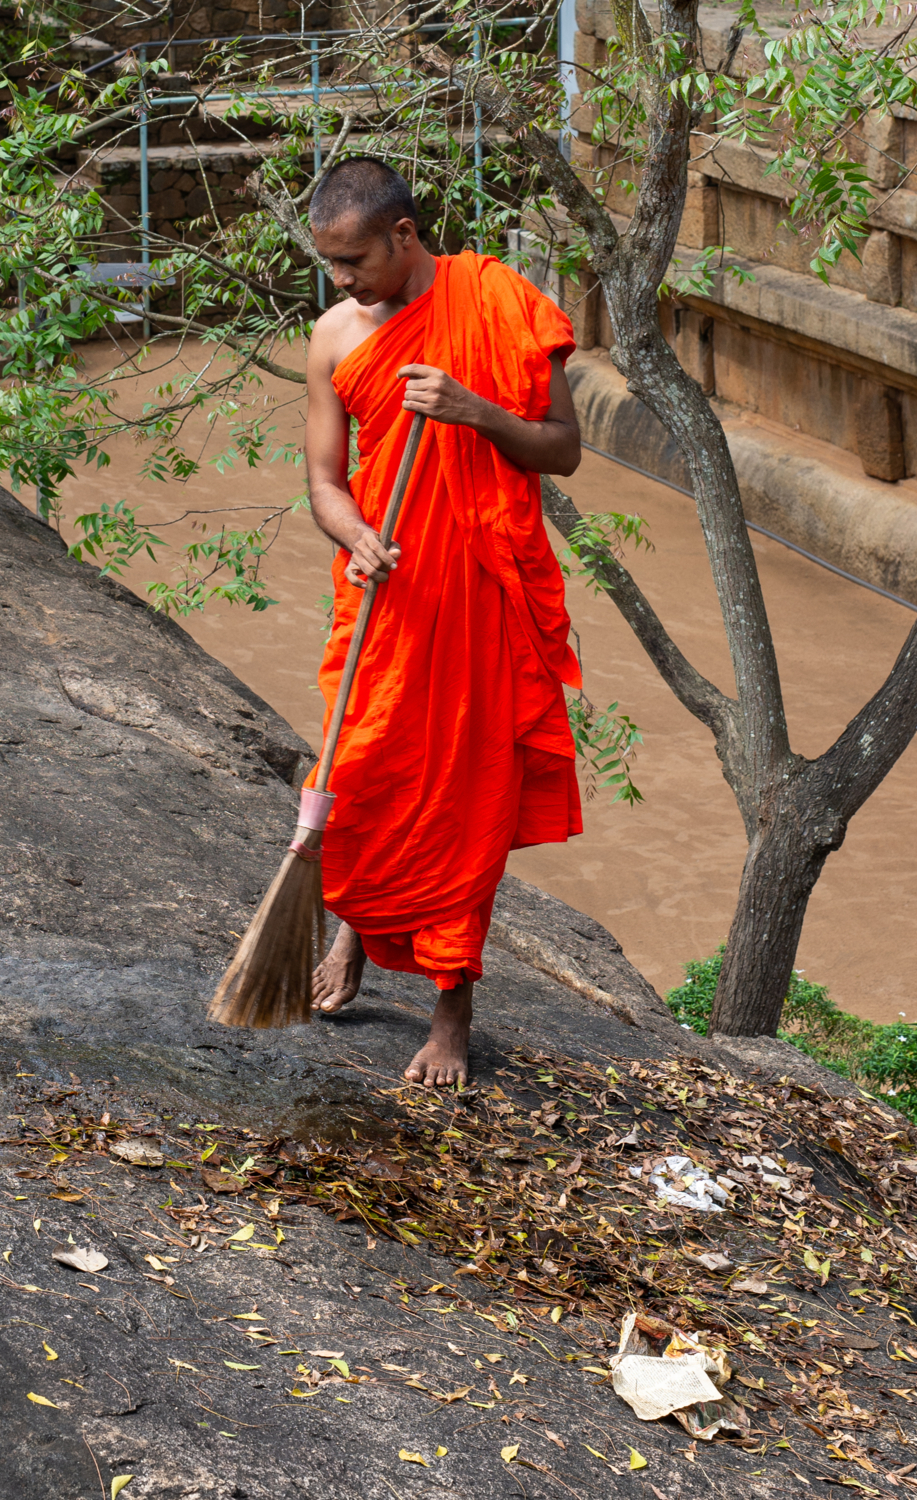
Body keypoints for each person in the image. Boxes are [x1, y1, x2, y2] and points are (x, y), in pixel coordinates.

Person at [303, 156, 585, 1088]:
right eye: (331, 264)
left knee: (466, 798)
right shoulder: (334, 338)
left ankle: (451, 1009)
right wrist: (357, 536)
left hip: (479, 592)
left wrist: (474, 411)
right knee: (365, 769)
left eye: (355, 262)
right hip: (390, 590)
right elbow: (324, 484)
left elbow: (562, 450)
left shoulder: (496, 302)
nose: (343, 281)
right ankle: (352, 928)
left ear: (405, 237)